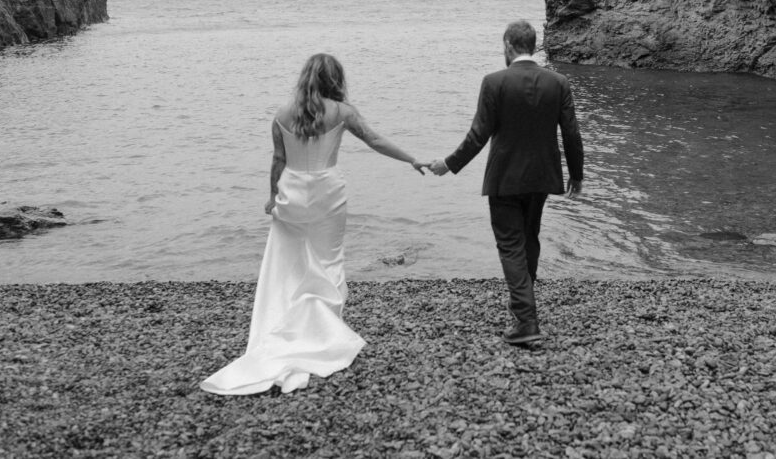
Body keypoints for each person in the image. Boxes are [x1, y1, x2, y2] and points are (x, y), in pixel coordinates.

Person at [201, 53, 428, 395]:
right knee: (328, 259)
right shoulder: (342, 112)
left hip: (291, 192)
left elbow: (278, 160)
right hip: (327, 193)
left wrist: (272, 195)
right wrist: (411, 158)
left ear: (306, 76)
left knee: (290, 263)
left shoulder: (282, 114)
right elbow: (375, 140)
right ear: (335, 79)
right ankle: (324, 329)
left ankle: (289, 324)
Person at [429, 20, 583, 345]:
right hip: (543, 176)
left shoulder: (494, 82)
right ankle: (524, 303)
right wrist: (577, 174)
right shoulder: (558, 82)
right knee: (529, 238)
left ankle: (526, 320)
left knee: (511, 245)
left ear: (509, 46)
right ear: (533, 46)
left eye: (504, 46)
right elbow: (571, 133)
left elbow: (478, 134)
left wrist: (449, 164)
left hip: (505, 177)